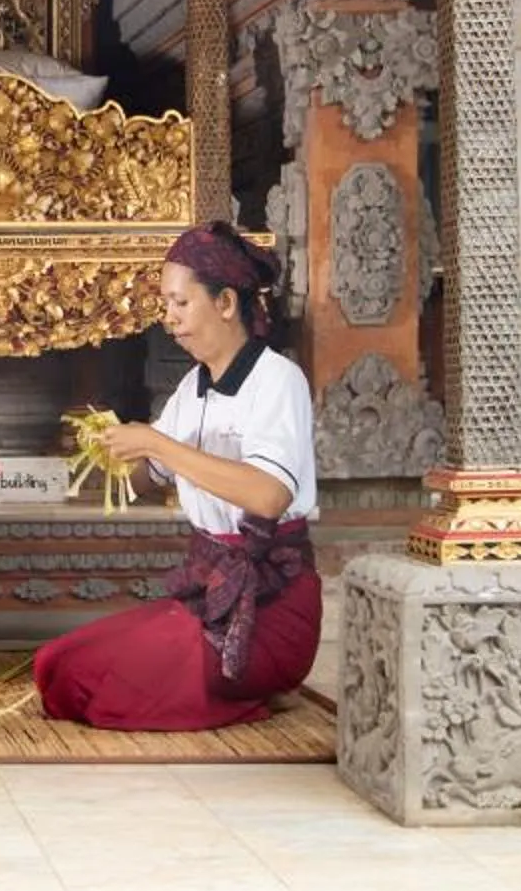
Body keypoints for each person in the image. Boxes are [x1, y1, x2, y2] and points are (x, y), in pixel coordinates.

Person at [34, 221, 319, 730]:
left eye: (180, 303)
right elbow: (149, 477)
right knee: (59, 664)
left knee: (108, 688)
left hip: (270, 609)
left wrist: (156, 441)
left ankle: (254, 684)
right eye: (167, 305)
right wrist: (113, 454)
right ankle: (233, 690)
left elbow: (270, 495)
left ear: (226, 303)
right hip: (210, 594)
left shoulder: (278, 380)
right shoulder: (194, 385)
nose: (170, 319)